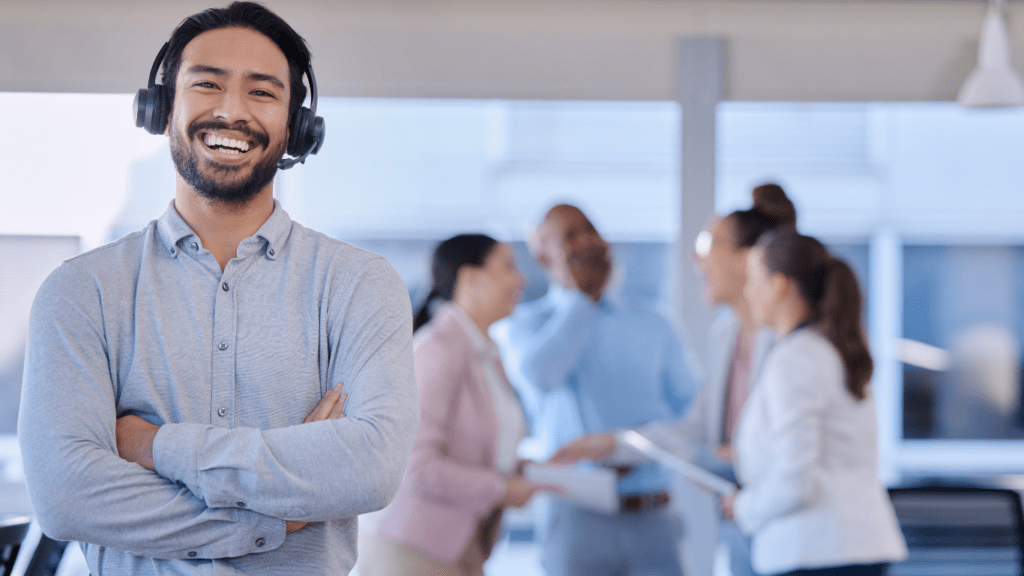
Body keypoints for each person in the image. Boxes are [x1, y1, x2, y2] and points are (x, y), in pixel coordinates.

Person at [18, 3, 419, 575]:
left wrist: (154, 446)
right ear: (162, 107)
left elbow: (370, 468)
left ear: (296, 127)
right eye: (207, 84)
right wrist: (275, 515)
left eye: (262, 92)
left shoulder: (359, 285)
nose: (232, 111)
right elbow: (66, 498)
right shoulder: (82, 291)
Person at [552, 184, 796, 576]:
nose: (695, 258)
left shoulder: (791, 341)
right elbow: (694, 431)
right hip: (743, 528)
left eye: (708, 243)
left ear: (747, 258)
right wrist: (614, 443)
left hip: (793, 533)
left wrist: (739, 456)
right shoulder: (724, 336)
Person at [497, 204, 698, 576]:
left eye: (590, 229)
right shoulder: (525, 325)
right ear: (543, 254)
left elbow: (692, 414)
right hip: (574, 518)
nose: (586, 241)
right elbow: (540, 377)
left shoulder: (656, 323)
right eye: (569, 236)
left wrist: (628, 444)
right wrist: (582, 299)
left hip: (653, 515)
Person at [719, 230, 907, 576]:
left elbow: (796, 480)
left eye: (753, 280)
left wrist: (744, 507)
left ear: (779, 285)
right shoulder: (830, 349)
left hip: (815, 552)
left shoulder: (795, 359)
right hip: (857, 547)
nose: (747, 292)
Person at [359, 234, 545, 576]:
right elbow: (416, 466)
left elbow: (472, 443)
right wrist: (502, 489)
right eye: (508, 267)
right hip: (412, 545)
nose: (522, 279)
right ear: (469, 278)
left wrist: (517, 468)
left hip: (459, 542)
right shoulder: (437, 351)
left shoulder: (483, 351)